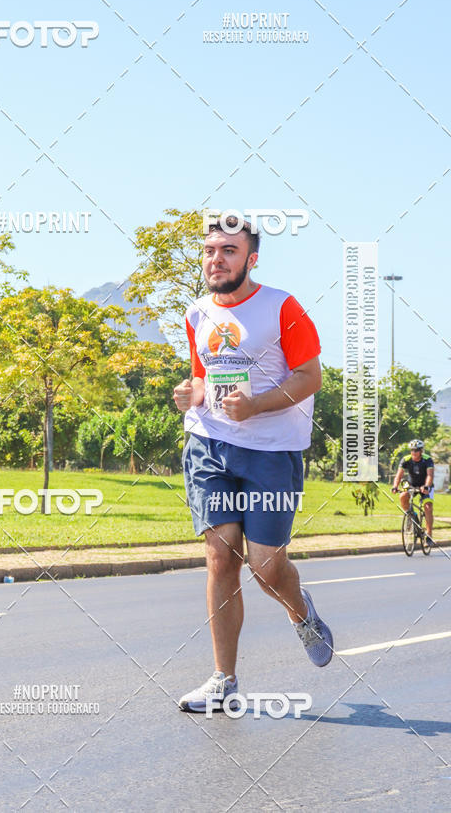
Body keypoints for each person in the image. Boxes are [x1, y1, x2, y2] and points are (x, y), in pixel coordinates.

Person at [173, 217, 333, 714]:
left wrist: (258, 405)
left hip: (270, 451)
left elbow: (310, 376)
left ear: (251, 258)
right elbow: (204, 378)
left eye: (227, 250)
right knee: (221, 557)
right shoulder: (197, 312)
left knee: (265, 568)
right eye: (208, 250)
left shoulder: (281, 307)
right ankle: (224, 680)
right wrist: (189, 393)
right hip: (209, 444)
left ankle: (301, 613)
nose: (215, 259)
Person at [392, 439, 435, 547]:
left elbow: (430, 475)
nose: (414, 452)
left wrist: (426, 486)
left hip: (425, 485)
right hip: (411, 484)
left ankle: (429, 535)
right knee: (403, 496)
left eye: (416, 450)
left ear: (421, 451)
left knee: (428, 507)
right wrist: (395, 486)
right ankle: (411, 516)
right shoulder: (406, 459)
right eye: (412, 450)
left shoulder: (427, 460)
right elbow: (399, 475)